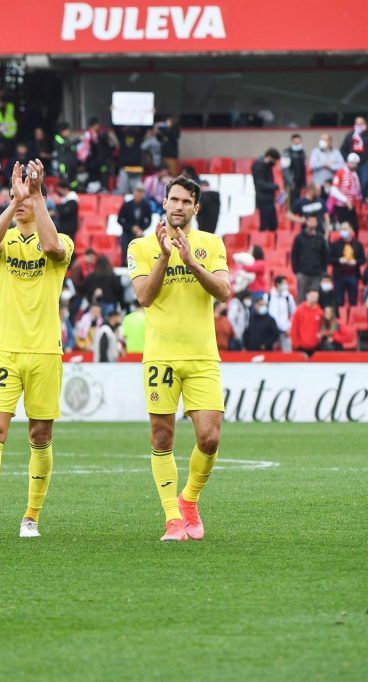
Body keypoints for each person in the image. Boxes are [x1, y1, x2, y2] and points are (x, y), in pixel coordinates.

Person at [0, 159, 73, 539]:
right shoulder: (4, 241)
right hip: (4, 350)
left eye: (25, 196)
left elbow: (52, 246)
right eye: (13, 195)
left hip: (44, 352)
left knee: (40, 435)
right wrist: (14, 203)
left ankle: (31, 516)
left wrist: (37, 196)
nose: (20, 199)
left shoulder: (61, 240)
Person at [127, 175, 230, 542]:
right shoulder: (141, 245)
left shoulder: (211, 243)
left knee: (210, 438)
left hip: (202, 355)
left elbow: (224, 291)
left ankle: (189, 500)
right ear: (165, 202)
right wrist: (166, 258)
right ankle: (172, 519)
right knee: (161, 436)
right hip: (161, 357)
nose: (178, 206)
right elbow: (144, 297)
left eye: (186, 201)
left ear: (195, 208)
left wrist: (191, 262)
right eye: (173, 199)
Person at [290, 215, 328, 303]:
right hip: (303, 273)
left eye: (314, 221)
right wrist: (296, 271)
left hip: (317, 274)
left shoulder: (320, 238)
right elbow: (294, 255)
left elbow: (325, 256)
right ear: (306, 222)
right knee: (301, 297)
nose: (312, 223)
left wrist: (323, 271)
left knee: (315, 298)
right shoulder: (299, 238)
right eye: (311, 221)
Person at [329, 222, 365, 307]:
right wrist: (339, 260)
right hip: (339, 276)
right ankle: (341, 319)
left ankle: (351, 318)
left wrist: (355, 262)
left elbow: (363, 259)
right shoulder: (335, 244)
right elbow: (329, 259)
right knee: (339, 301)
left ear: (351, 230)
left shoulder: (358, 244)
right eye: (342, 229)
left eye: (345, 228)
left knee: (353, 301)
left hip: (353, 276)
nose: (343, 231)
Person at [118, 185, 153, 264]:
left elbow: (149, 220)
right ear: (133, 193)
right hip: (127, 234)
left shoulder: (146, 205)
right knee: (125, 254)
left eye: (141, 193)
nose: (139, 195)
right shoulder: (126, 205)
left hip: (139, 234)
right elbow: (119, 220)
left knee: (140, 255)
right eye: (137, 192)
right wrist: (131, 227)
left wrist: (142, 229)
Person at [330, 154, 362, 231]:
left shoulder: (355, 174)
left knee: (355, 228)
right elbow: (333, 190)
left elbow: (357, 190)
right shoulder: (340, 172)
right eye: (352, 163)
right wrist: (345, 200)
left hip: (351, 205)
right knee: (344, 227)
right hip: (341, 206)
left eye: (355, 163)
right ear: (347, 162)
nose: (353, 165)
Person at [339, 116, 368, 198]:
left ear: (365, 124)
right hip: (350, 165)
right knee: (350, 184)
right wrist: (347, 160)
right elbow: (342, 149)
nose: (359, 125)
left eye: (361, 123)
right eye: (357, 123)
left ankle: (362, 200)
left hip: (364, 164)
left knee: (364, 182)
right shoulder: (350, 135)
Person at [266, 276, 296, 352]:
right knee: (270, 353)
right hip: (271, 331)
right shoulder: (268, 297)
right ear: (277, 284)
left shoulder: (288, 297)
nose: (286, 285)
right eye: (284, 283)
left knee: (288, 354)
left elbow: (294, 314)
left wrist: (290, 328)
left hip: (285, 330)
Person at [290, 289, 324, 355]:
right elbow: (294, 328)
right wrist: (296, 345)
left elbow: (322, 327)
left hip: (315, 347)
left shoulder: (320, 312)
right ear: (307, 296)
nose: (314, 299)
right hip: (301, 347)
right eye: (312, 296)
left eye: (316, 297)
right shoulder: (299, 311)